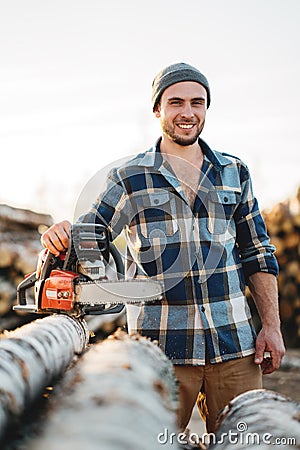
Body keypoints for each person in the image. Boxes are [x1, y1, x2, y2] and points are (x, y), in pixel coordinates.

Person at [40, 62, 285, 439]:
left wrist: (272, 326)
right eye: (175, 103)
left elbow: (258, 251)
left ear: (206, 108)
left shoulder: (235, 172)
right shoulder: (129, 177)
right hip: (161, 352)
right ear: (157, 110)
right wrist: (65, 233)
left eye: (197, 103)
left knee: (249, 445)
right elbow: (93, 234)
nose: (187, 113)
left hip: (235, 345)